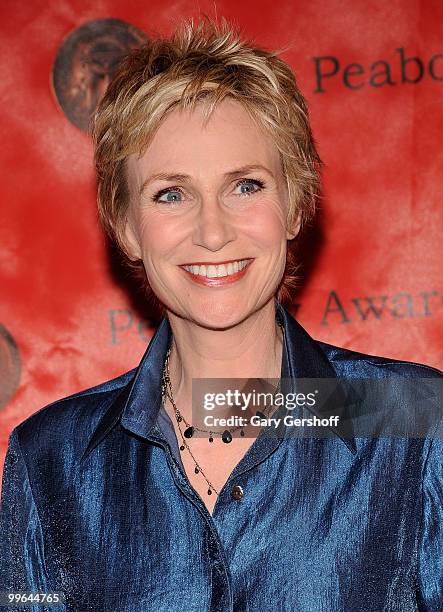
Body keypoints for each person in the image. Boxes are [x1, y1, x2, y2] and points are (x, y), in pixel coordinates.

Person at [1, 16, 442, 612]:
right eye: (171, 194)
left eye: (245, 186)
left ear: (294, 205)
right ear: (126, 226)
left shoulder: (413, 426)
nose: (213, 231)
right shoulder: (52, 459)